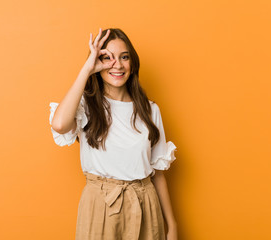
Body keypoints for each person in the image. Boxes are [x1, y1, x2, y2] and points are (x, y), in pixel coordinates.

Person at [49, 27, 178, 240]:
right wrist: (87, 68)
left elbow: (158, 172)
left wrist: (172, 225)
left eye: (124, 57)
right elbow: (60, 125)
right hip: (100, 204)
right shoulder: (85, 106)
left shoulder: (149, 109)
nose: (116, 64)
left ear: (133, 63)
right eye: (106, 58)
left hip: (145, 203)